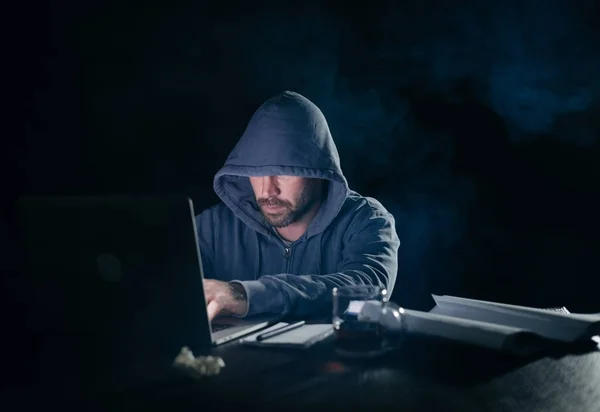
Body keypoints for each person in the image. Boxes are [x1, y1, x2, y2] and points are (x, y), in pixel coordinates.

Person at [196, 91, 400, 320]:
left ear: (318, 172)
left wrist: (245, 295)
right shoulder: (212, 227)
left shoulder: (366, 221)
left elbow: (366, 292)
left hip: (334, 355)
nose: (267, 191)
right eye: (255, 173)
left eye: (285, 172)